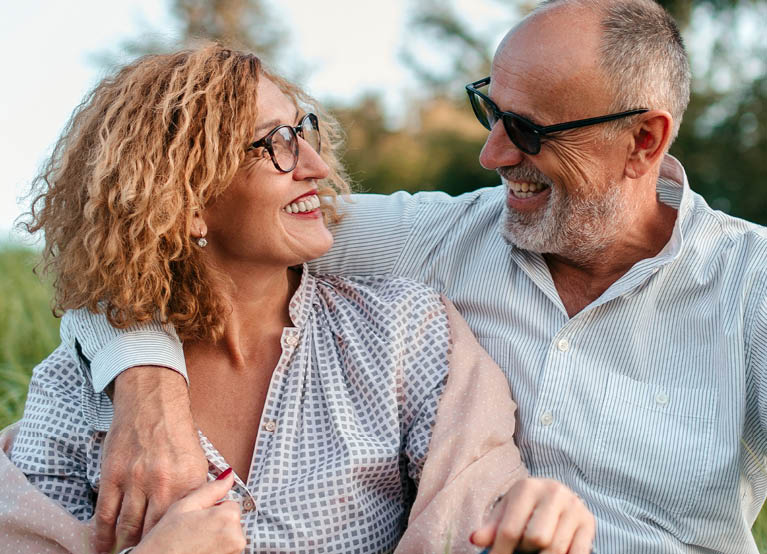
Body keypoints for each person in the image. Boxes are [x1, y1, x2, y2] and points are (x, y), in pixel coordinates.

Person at [56, 0, 767, 552]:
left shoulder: (751, 283)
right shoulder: (434, 238)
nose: (490, 155)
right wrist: (147, 386)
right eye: (490, 111)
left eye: (526, 131)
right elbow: (149, 233)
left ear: (643, 140)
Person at [3, 44, 594, 554]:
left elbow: (471, 521)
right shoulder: (75, 391)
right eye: (273, 144)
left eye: (302, 131)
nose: (314, 165)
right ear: (181, 202)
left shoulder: (402, 332)